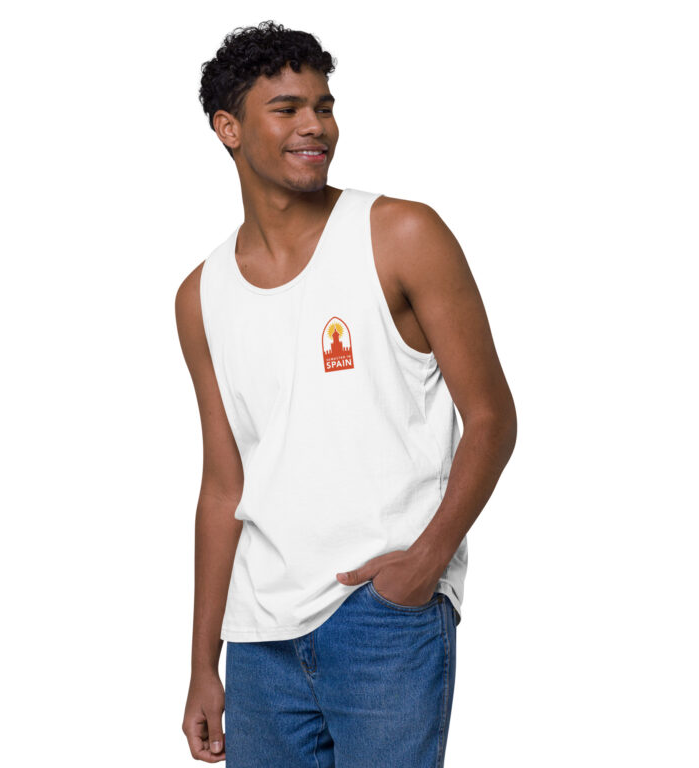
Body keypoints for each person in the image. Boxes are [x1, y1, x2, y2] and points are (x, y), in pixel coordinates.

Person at [176, 20, 516, 767]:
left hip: (382, 616)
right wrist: (204, 661)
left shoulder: (400, 234)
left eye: (324, 106)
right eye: (288, 109)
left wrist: (425, 565)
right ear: (228, 128)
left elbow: (492, 418)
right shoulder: (201, 296)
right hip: (259, 638)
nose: (316, 126)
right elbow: (224, 483)